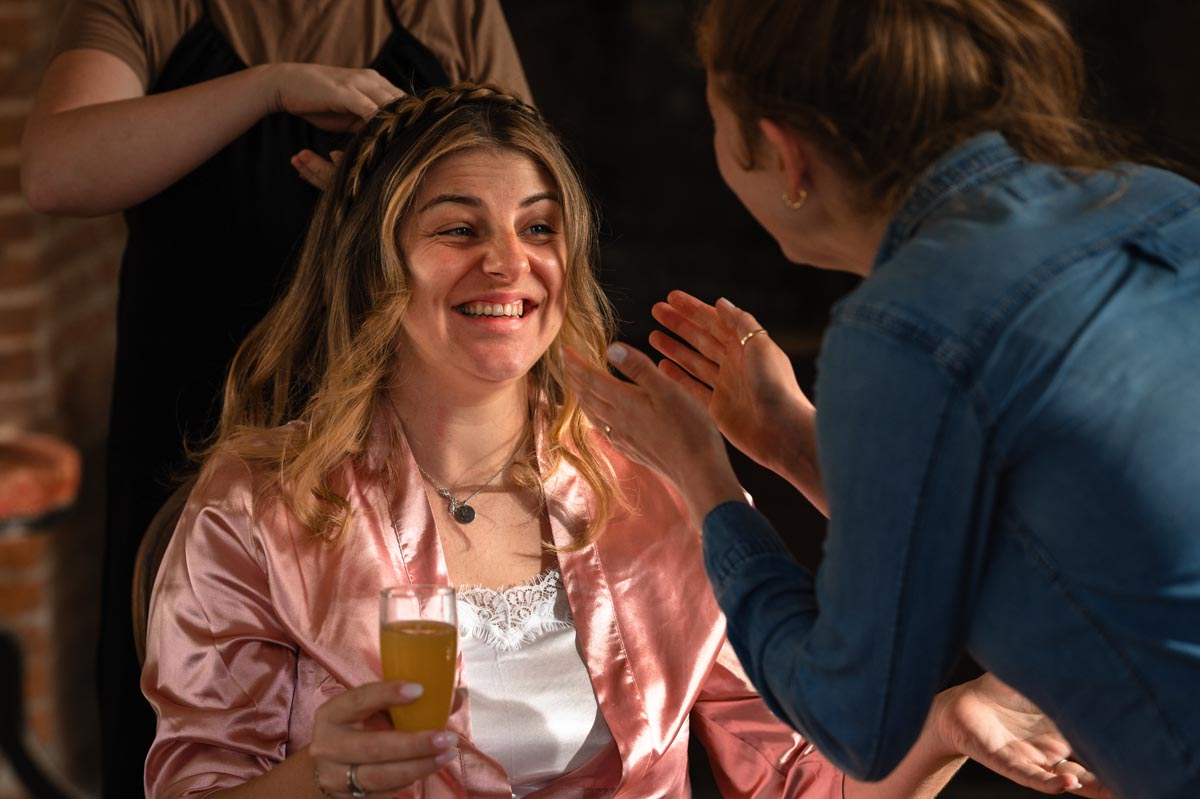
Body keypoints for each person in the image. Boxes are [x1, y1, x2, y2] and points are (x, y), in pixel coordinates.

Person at [142, 85, 1106, 799]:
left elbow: (795, 776)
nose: (508, 262)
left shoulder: (646, 486)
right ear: (374, 264)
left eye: (539, 227)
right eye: (456, 228)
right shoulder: (261, 506)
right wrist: (322, 775)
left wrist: (944, 725)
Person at [561, 1, 1200, 798]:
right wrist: (793, 441)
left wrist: (705, 478)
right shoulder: (1158, 199)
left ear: (788, 158)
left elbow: (855, 718)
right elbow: (1042, 537)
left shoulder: (902, 324)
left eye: (718, 124)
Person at [19, 2, 530, 793]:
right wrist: (270, 90)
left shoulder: (447, 10)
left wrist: (385, 199)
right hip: (194, 429)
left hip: (405, 444)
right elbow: (56, 170)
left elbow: (521, 181)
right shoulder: (150, 9)